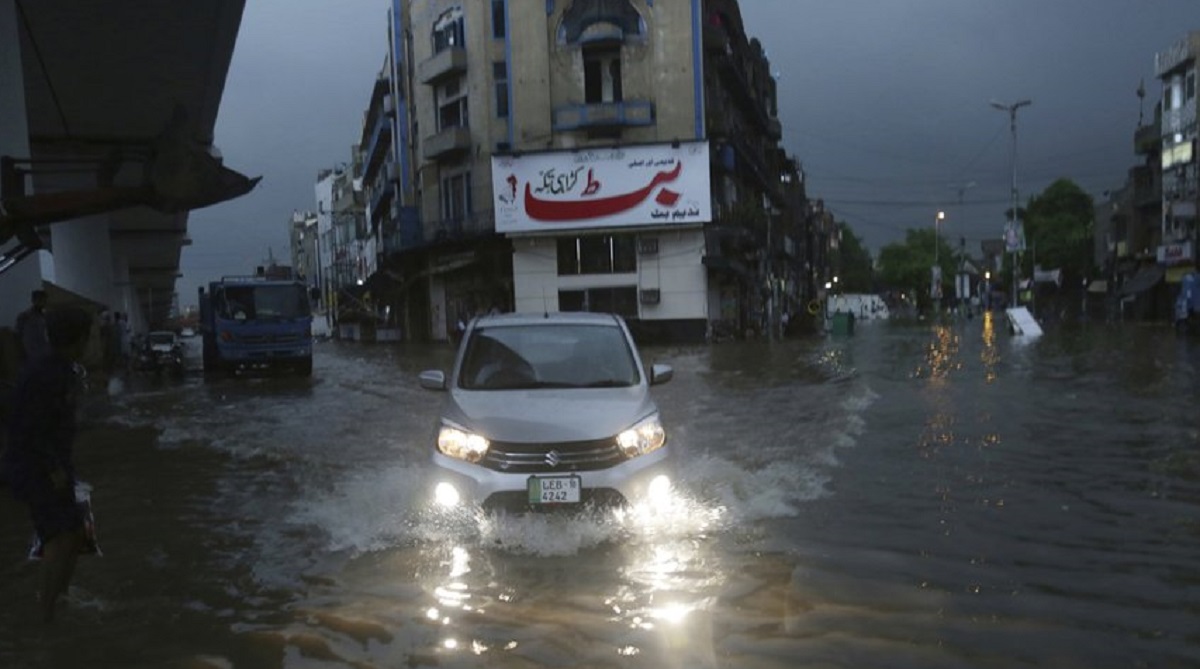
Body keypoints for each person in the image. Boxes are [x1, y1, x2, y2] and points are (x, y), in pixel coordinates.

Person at [2, 306, 94, 623]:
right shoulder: (45, 374)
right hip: (38, 468)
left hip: (52, 465)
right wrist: (52, 467)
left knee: (77, 532)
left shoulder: (60, 369)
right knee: (60, 536)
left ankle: (61, 598)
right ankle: (47, 614)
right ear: (80, 338)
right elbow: (29, 428)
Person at [15, 289, 51, 365]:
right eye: (40, 300)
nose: (43, 302)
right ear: (33, 300)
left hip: (45, 355)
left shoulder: (46, 317)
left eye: (44, 300)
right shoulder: (24, 316)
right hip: (30, 356)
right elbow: (18, 336)